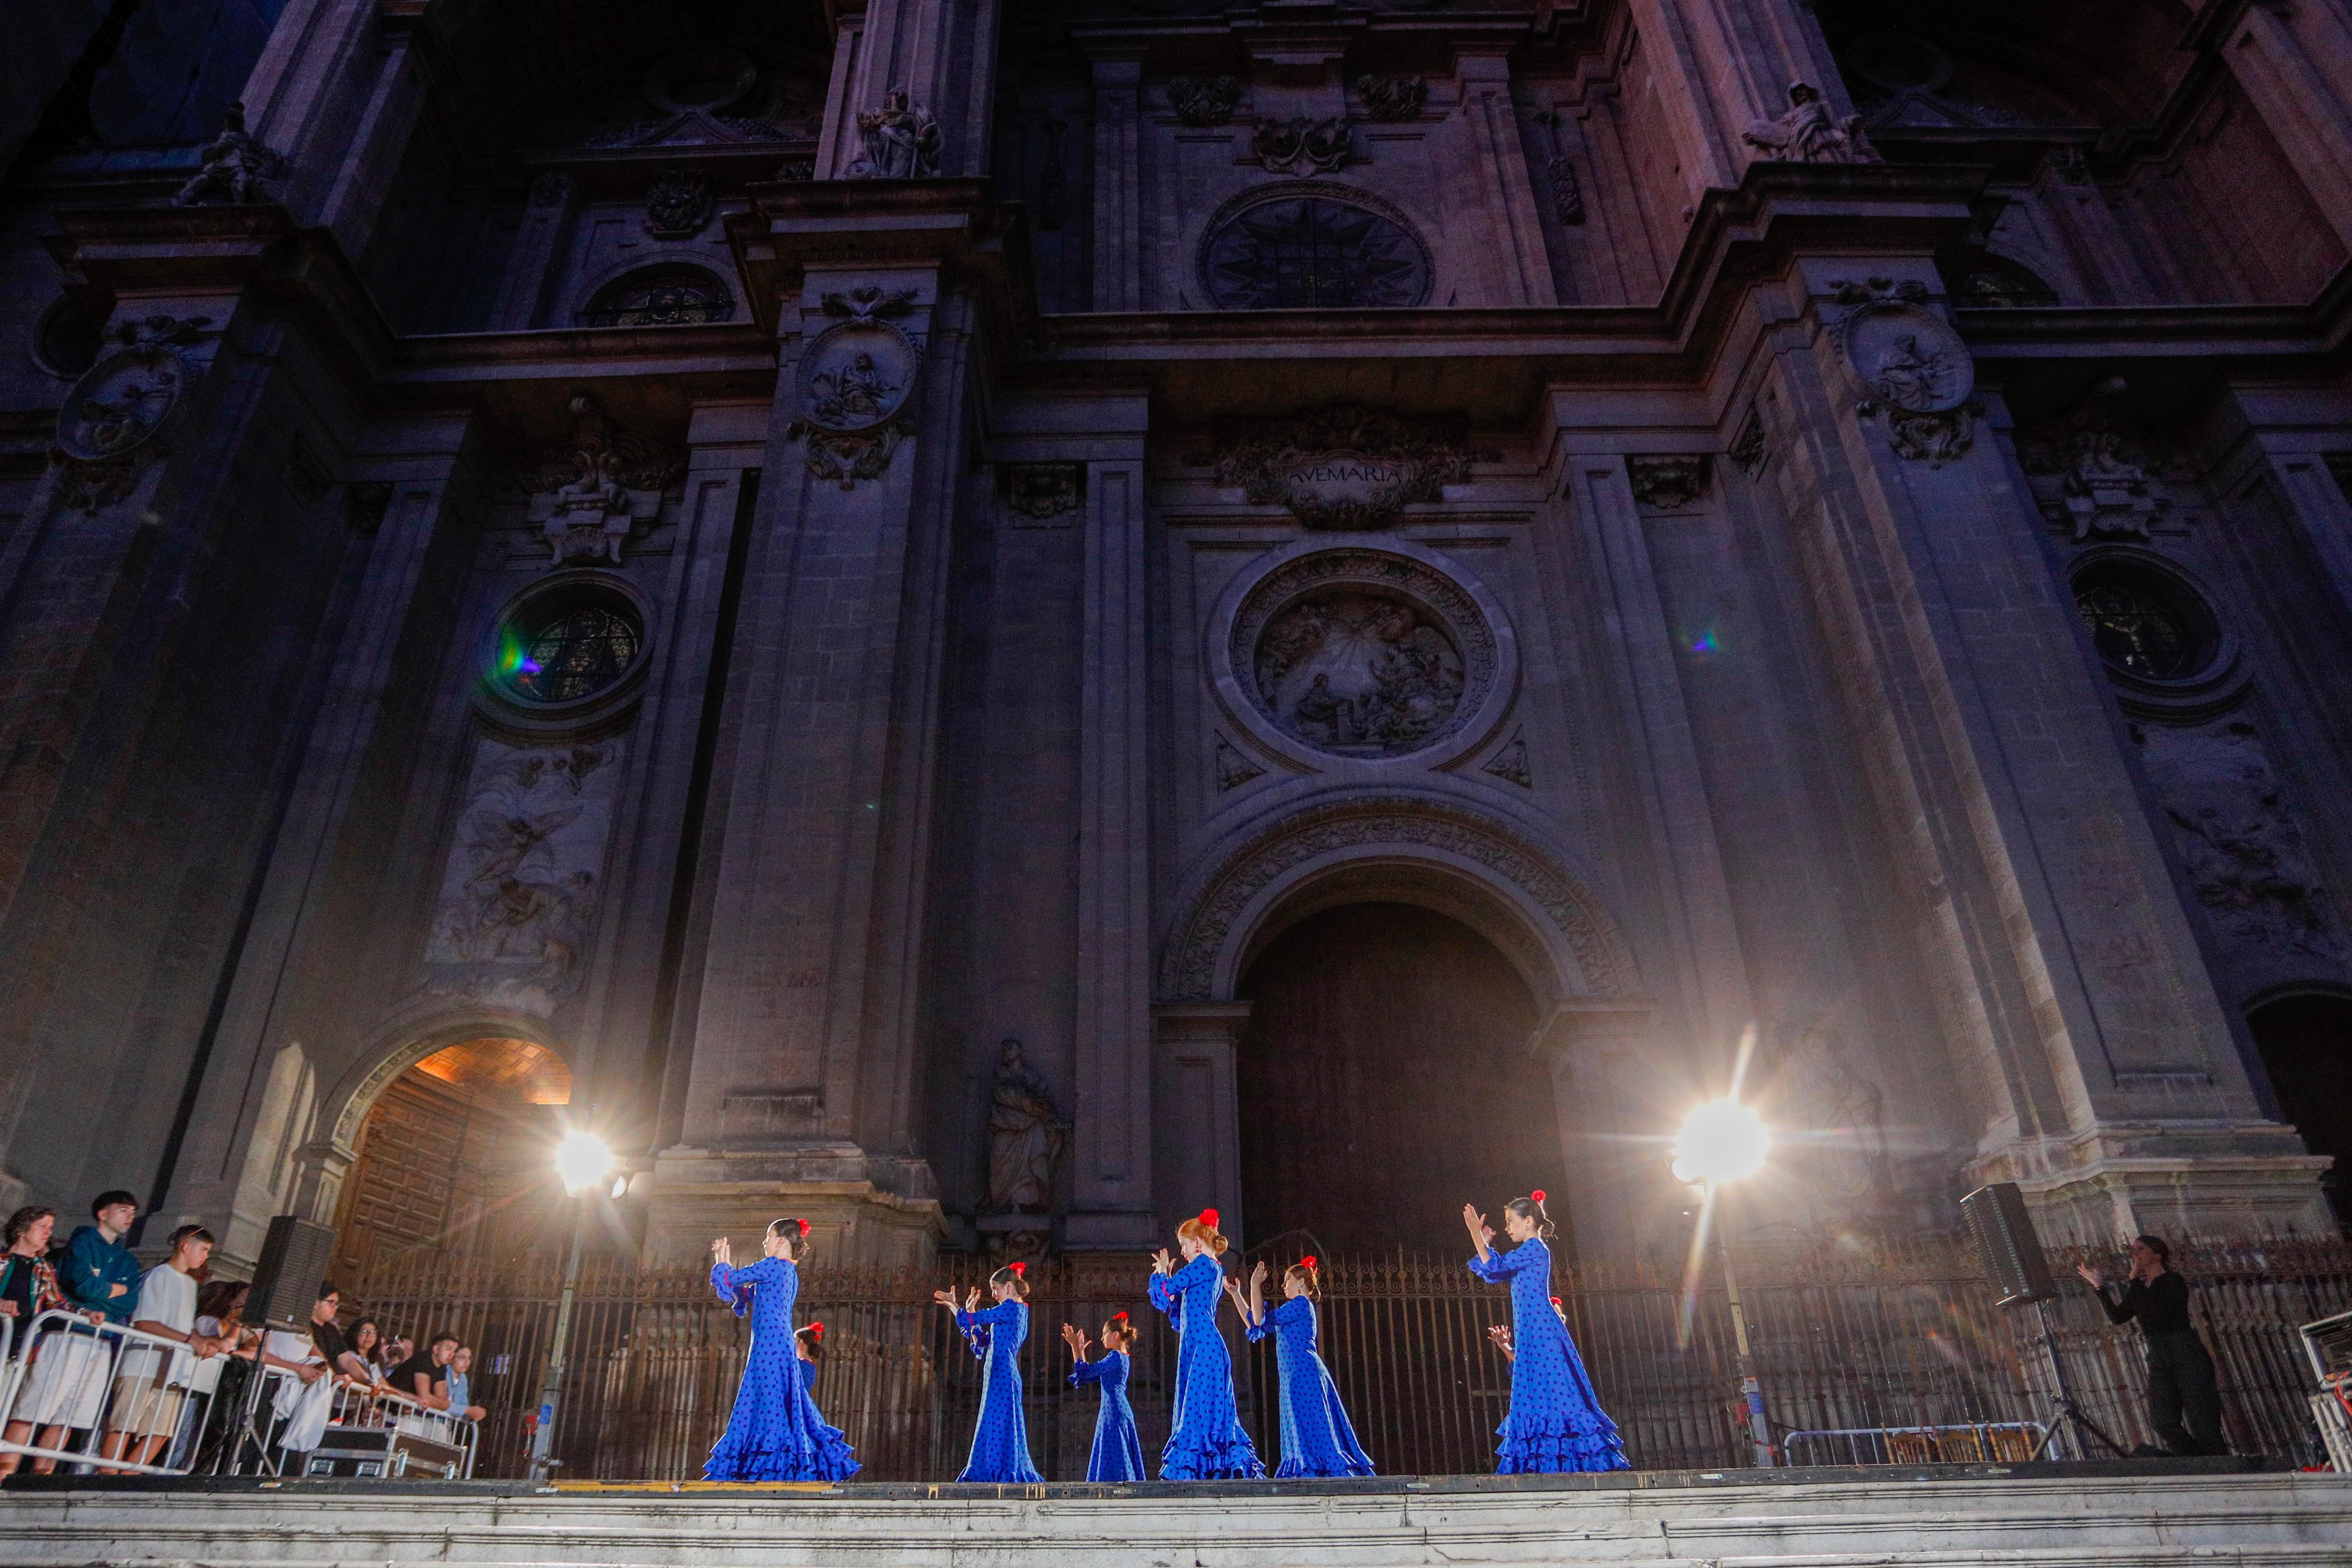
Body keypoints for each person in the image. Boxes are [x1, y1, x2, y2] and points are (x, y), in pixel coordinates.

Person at [1464, 1190, 1627, 1473]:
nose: (1507, 1227)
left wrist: (1475, 1233)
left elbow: (1495, 1266)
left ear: (1528, 1222)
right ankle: (1545, 1462)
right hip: (1531, 1332)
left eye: (1510, 1221)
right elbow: (1493, 1273)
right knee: (1536, 1394)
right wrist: (1484, 1242)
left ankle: (1575, 1461)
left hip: (1542, 1330)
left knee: (1556, 1392)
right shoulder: (1528, 1251)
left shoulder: (1535, 1249)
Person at [705, 1218, 842, 1480]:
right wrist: (722, 1265)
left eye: (768, 1236)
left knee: (766, 1400)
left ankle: (768, 1468)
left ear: (781, 1241)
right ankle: (777, 1465)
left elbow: (732, 1279)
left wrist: (722, 1261)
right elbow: (742, 1294)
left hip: (769, 1344)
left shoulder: (772, 1266)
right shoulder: (787, 1272)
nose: (764, 1242)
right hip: (776, 1343)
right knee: (774, 1400)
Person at [2076, 1235, 2228, 1456]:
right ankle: (2196, 1460)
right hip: (2159, 1355)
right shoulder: (2140, 1288)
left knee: (2202, 1416)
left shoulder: (2173, 1282)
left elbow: (2158, 1314)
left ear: (2158, 1254)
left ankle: (2219, 1463)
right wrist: (2100, 1287)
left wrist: (2133, 1281)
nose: (2135, 1254)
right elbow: (2119, 1317)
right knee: (2162, 1420)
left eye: (2141, 1249)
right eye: (2133, 1250)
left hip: (2185, 1351)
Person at [1227, 1254, 1374, 1478]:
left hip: (1304, 1374)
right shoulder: (1293, 1310)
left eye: (1288, 1280)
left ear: (1302, 1282)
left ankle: (1322, 1473)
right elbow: (1255, 1323)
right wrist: (1238, 1294)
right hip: (1293, 1377)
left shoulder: (1301, 1304)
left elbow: (1259, 1319)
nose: (1284, 1285)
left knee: (1313, 1424)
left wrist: (1255, 1285)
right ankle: (1310, 1472)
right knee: (1300, 1427)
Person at [1148, 1208, 1264, 1479]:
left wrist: (1163, 1272)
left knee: (1200, 1412)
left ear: (1198, 1243)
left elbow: (1165, 1292)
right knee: (1205, 1413)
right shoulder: (1210, 1268)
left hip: (1205, 1348)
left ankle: (1204, 1472)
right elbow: (1174, 1307)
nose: (1184, 1252)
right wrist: (1167, 1279)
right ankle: (1209, 1471)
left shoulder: (1202, 1265)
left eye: (1185, 1245)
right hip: (1201, 1347)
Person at [102, 1224, 227, 1471]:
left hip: (173, 1368)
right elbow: (144, 1321)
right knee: (124, 1425)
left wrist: (204, 1340)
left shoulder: (191, 1284)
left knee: (160, 1431)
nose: (206, 1257)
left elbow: (182, 1325)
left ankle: (128, 1478)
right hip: (142, 1363)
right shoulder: (158, 1275)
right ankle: (105, 1473)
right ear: (186, 1247)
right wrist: (190, 1340)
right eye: (203, 1250)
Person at [0, 1204, 95, 1478]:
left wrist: (84, 1313)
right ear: (21, 1230)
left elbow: (57, 1302)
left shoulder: (42, 1268)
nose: (48, 1233)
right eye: (42, 1227)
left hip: (17, 1351)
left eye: (50, 1228)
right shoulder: (3, 1260)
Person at [937, 1261, 1043, 1483]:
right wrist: (963, 1310)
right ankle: (992, 1469)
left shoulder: (1011, 1308)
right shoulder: (1015, 1310)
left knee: (996, 1420)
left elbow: (970, 1321)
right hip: (999, 1370)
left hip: (1002, 1371)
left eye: (995, 1289)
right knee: (997, 1420)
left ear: (1008, 1287)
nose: (993, 1294)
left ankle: (991, 1471)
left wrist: (958, 1307)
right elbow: (981, 1340)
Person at [1061, 1312, 1145, 1483]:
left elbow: (1085, 1372)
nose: (1102, 1338)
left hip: (1114, 1411)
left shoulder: (1115, 1357)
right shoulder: (1122, 1358)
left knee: (1114, 1450)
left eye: (1104, 1334)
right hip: (1114, 1409)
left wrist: (1075, 1346)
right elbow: (1085, 1376)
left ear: (1115, 1336)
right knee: (1116, 1450)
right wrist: (1081, 1351)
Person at [786, 1321, 859, 1479]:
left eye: (794, 1341)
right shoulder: (809, 1365)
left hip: (798, 1407)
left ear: (802, 1344)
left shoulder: (800, 1365)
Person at [436, 1345, 486, 1422]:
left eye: (470, 1358)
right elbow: (441, 1403)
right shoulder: (442, 1372)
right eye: (462, 1357)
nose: (467, 1362)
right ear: (452, 1358)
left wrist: (475, 1414)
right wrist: (468, 1411)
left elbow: (463, 1404)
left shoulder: (463, 1379)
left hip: (445, 1423)